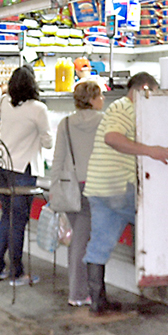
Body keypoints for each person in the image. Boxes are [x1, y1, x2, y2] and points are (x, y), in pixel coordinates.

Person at [83, 72, 168, 315]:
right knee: (158, 221)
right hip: (117, 185)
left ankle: (97, 301)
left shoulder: (122, 108)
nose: (153, 98)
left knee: (99, 244)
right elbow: (112, 138)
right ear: (142, 89)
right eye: (152, 93)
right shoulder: (125, 107)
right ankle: (161, 278)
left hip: (99, 186)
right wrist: (151, 151)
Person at [0, 66, 53, 286]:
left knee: (7, 216)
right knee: (18, 221)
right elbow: (48, 141)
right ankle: (17, 273)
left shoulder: (5, 102)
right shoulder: (38, 108)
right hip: (22, 169)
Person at [52, 80, 104, 306]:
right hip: (98, 185)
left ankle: (83, 290)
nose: (102, 100)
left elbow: (58, 158)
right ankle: (79, 293)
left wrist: (54, 188)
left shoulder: (65, 123)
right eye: (100, 96)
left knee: (77, 242)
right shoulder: (105, 121)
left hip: (72, 187)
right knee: (86, 243)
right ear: (92, 99)